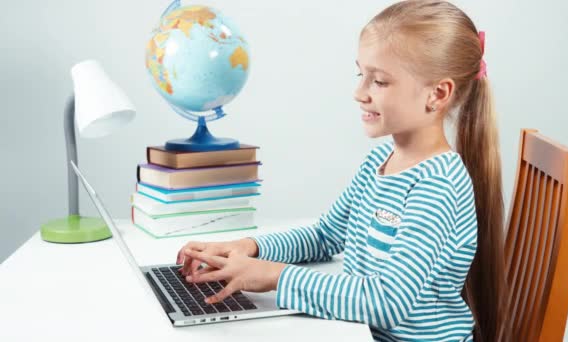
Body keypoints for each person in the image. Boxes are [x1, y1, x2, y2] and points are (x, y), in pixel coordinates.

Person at [175, 1, 509, 340]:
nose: (359, 93)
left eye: (379, 81)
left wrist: (274, 276)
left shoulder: (438, 186)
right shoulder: (377, 164)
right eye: (360, 75)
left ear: (437, 94)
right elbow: (326, 236)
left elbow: (388, 302)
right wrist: (248, 249)